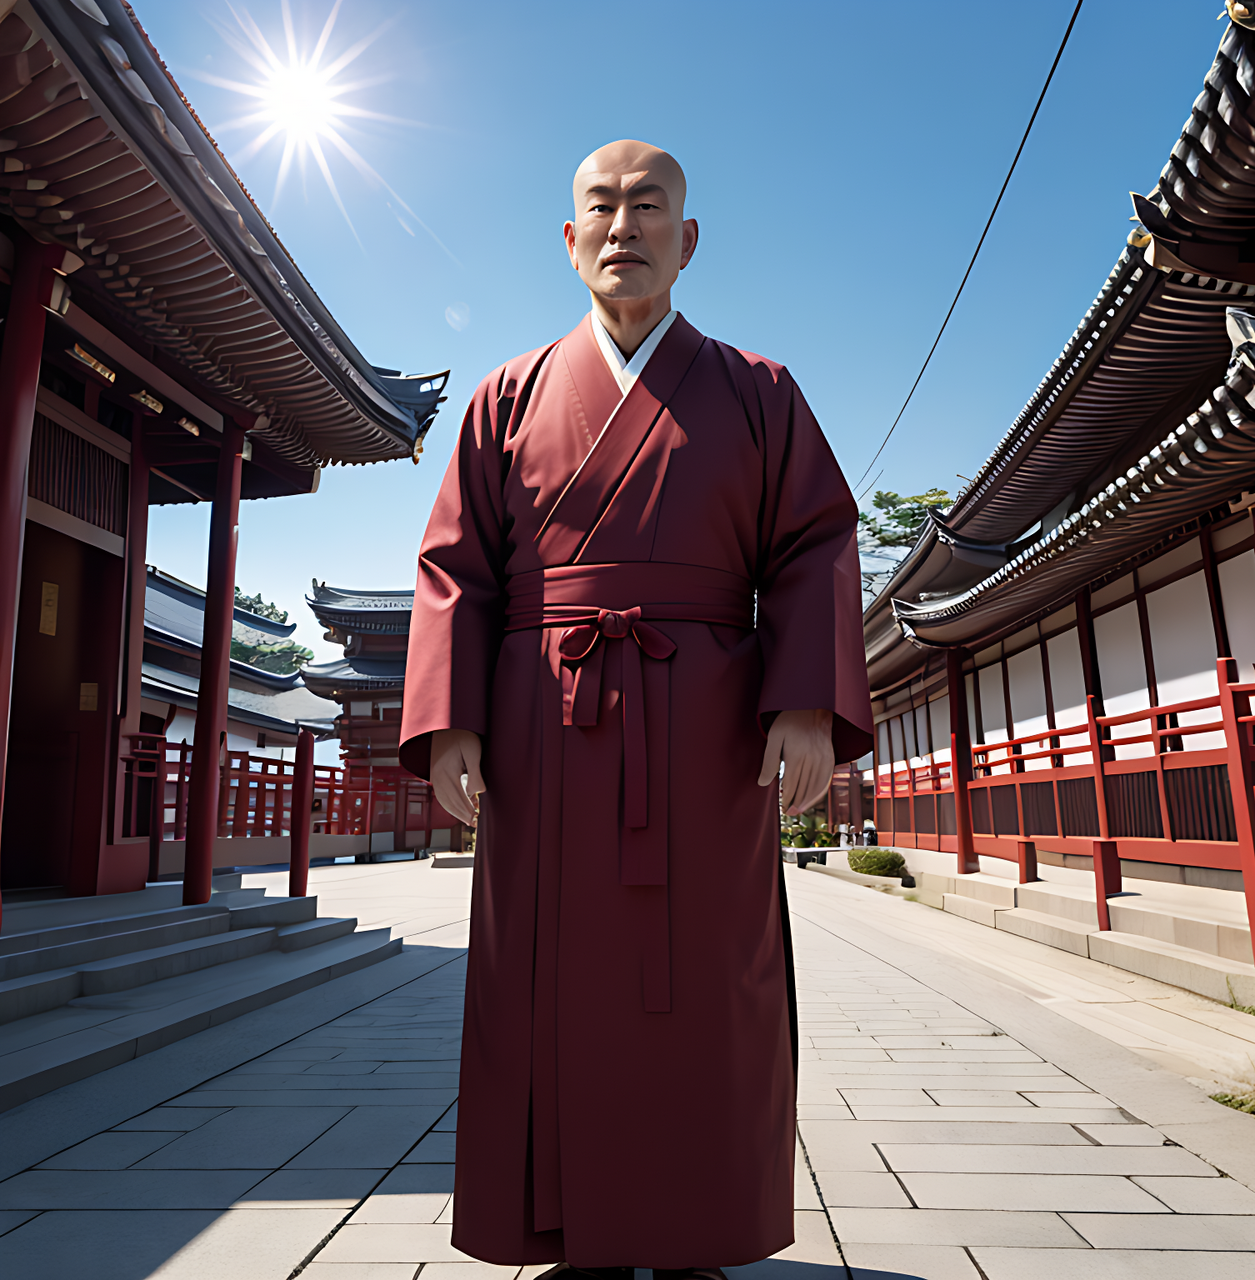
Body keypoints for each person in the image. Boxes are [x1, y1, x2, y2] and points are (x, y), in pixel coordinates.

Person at [399, 139, 872, 1279]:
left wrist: (802, 702)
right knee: (543, 976)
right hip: (541, 719)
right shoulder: (504, 395)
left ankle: (699, 1224)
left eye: (647, 206)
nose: (623, 227)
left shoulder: (759, 391)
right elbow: (455, 566)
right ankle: (564, 1231)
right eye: (600, 209)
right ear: (569, 243)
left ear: (686, 238)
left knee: (710, 975)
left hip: (708, 728)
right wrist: (453, 720)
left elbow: (811, 545)